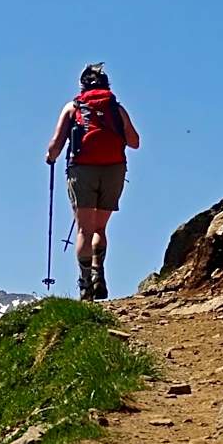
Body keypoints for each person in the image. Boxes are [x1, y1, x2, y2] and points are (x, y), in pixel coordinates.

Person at [45, 64, 140, 301]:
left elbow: (55, 146)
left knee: (84, 231)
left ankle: (85, 283)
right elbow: (135, 142)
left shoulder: (73, 107)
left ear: (82, 85)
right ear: (107, 85)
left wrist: (50, 158)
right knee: (100, 228)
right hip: (113, 170)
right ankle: (100, 274)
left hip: (82, 171)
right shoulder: (116, 109)